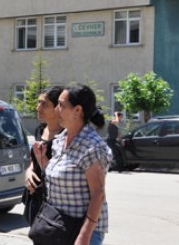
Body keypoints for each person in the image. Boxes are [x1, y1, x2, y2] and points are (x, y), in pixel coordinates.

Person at [33, 85, 112, 245]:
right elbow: (59, 177)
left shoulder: (92, 147)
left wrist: (84, 237)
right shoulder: (61, 139)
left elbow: (98, 195)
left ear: (77, 111)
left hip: (81, 231)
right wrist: (41, 159)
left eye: (61, 105)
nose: (56, 110)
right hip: (58, 226)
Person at [23, 86, 64, 224]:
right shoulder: (39, 130)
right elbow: (32, 160)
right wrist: (28, 172)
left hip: (54, 200)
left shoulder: (66, 136)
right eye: (38, 102)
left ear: (58, 108)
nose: (38, 107)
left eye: (44, 104)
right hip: (35, 195)